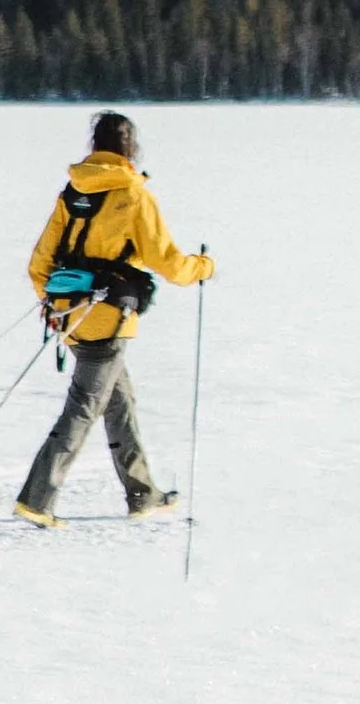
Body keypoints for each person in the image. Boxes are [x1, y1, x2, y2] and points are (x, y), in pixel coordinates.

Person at [14, 109, 214, 526]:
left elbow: (40, 263)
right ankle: (37, 499)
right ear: (130, 149)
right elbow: (170, 264)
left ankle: (143, 493)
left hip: (71, 317)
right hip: (110, 320)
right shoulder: (134, 195)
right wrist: (203, 267)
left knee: (119, 402)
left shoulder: (73, 191)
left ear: (95, 147)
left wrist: (54, 307)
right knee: (84, 408)